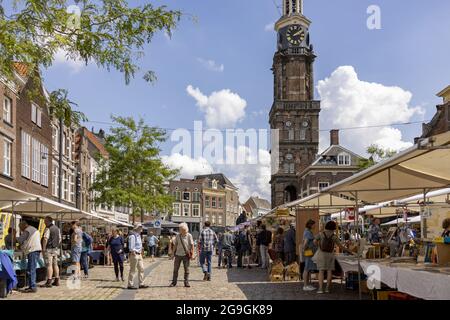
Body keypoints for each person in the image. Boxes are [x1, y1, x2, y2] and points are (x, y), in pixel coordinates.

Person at [313, 221, 353, 294]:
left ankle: (320, 289)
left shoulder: (321, 234)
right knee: (329, 271)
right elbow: (341, 246)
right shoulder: (334, 236)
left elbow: (314, 241)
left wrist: (318, 246)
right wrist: (349, 251)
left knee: (321, 271)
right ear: (333, 227)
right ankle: (327, 288)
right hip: (330, 255)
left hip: (321, 254)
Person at [17, 220, 42, 293]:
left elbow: (21, 240)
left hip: (33, 250)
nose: (21, 230)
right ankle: (31, 286)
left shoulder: (27, 230)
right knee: (31, 268)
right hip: (35, 250)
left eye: (20, 228)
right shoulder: (33, 229)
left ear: (24, 225)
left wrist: (14, 236)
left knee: (31, 269)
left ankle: (33, 286)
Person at [170, 223, 194, 287]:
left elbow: (192, 245)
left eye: (183, 230)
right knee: (175, 269)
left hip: (186, 255)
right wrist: (172, 254)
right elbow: (175, 245)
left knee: (187, 269)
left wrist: (192, 254)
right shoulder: (178, 236)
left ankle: (186, 282)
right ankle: (174, 282)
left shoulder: (189, 235)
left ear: (186, 229)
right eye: (180, 229)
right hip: (178, 255)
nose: (181, 231)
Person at [41, 216, 61, 287]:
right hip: (55, 249)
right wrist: (56, 245)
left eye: (45, 221)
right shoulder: (57, 228)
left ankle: (49, 281)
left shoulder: (48, 228)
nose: (44, 222)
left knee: (49, 265)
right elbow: (59, 239)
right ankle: (57, 280)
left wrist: (43, 248)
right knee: (55, 264)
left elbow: (45, 239)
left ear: (48, 221)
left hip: (49, 249)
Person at [127, 224, 148, 289]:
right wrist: (133, 253)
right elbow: (131, 247)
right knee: (133, 270)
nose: (141, 228)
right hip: (135, 254)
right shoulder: (133, 236)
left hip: (139, 254)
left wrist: (141, 253)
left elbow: (140, 246)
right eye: (140, 227)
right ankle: (130, 284)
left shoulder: (138, 236)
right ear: (137, 228)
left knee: (141, 269)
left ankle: (141, 283)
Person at [302, 219, 317, 291]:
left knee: (307, 268)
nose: (315, 226)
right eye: (314, 224)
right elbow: (305, 242)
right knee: (306, 269)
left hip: (309, 252)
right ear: (311, 225)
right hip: (309, 253)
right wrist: (304, 249)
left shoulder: (307, 231)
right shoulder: (308, 232)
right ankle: (305, 285)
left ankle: (307, 284)